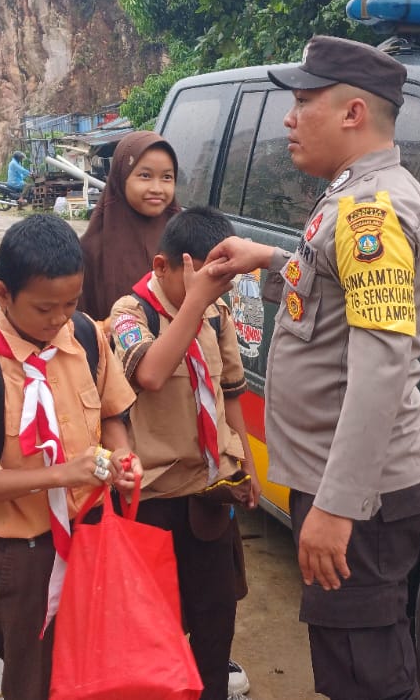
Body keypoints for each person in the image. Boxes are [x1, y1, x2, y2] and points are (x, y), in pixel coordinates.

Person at [203, 35, 420, 700]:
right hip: (351, 480)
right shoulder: (354, 193)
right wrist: (268, 258)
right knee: (355, 659)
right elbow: (334, 291)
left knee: (365, 674)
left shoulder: (372, 212)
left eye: (303, 101)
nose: (289, 117)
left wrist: (338, 508)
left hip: (361, 494)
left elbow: (380, 366)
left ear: (352, 113)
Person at [0, 213, 142, 700]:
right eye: (44, 308)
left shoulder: (86, 336)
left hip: (93, 535)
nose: (58, 320)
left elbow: (112, 413)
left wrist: (123, 458)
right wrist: (61, 474)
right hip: (24, 556)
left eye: (70, 303)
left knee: (99, 667)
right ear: (2, 294)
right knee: (33, 680)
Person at [107, 208, 262, 700]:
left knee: (216, 622)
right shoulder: (129, 314)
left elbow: (230, 393)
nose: (215, 291)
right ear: (162, 265)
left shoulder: (217, 314)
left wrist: (247, 465)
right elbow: (150, 374)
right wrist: (195, 303)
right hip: (154, 502)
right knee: (158, 629)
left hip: (209, 496)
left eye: (222, 282)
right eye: (205, 280)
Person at [77, 131, 181, 319]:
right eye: (145, 175)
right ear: (121, 177)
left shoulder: (185, 239)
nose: (157, 188)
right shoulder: (90, 251)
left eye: (167, 177)